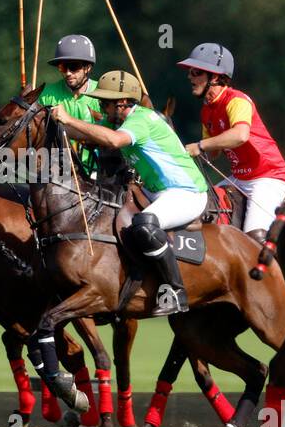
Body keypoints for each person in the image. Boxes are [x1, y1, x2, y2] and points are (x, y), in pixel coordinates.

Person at [52, 70, 206, 314]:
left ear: (122, 102)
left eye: (105, 102)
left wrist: (69, 119)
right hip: (156, 192)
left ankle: (176, 292)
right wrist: (51, 122)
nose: (101, 107)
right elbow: (86, 134)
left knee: (145, 224)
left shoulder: (141, 120)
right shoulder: (117, 121)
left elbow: (113, 141)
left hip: (186, 192)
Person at [176, 43, 285, 242]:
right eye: (190, 72)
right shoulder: (207, 109)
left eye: (196, 72)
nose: (190, 77)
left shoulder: (237, 100)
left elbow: (240, 135)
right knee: (199, 205)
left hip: (267, 176)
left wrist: (200, 146)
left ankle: (276, 271)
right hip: (239, 178)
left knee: (254, 236)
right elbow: (214, 153)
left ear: (216, 77)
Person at [38, 34, 102, 171]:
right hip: (58, 172)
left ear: (88, 67)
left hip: (97, 172)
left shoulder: (104, 95)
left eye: (73, 67)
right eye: (62, 67)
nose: (67, 73)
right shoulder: (46, 94)